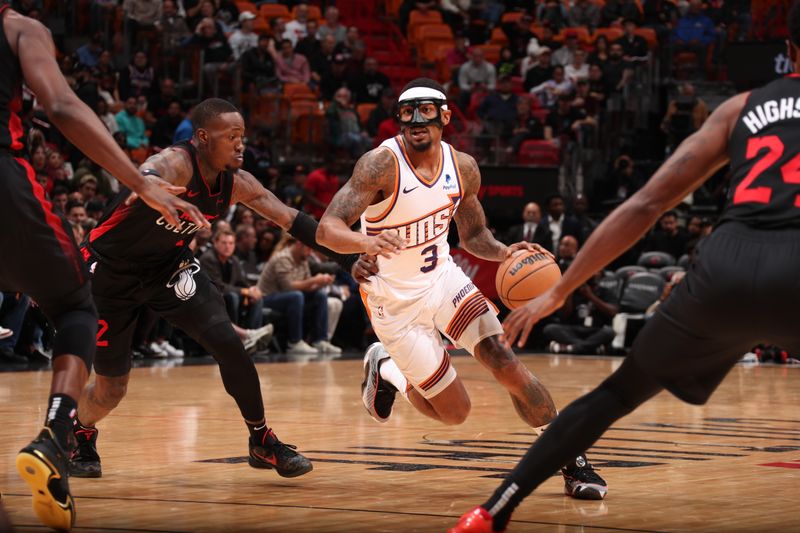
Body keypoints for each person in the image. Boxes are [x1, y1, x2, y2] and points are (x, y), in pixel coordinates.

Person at [448, 6, 800, 532]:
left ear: (788, 50)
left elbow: (645, 204)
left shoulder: (739, 108)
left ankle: (490, 513)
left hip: (725, 264)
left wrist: (561, 290)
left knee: (615, 394)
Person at [317, 78, 607, 500]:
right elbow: (327, 228)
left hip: (443, 281)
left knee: (504, 360)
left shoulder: (463, 167)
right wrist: (365, 242)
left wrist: (507, 252)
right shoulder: (380, 164)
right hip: (393, 302)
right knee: (455, 413)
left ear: (446, 116)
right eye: (407, 111)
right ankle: (387, 368)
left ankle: (571, 458)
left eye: (427, 110)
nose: (417, 120)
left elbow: (473, 236)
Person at [69, 99, 360, 485]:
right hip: (109, 272)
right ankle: (81, 432)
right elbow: (147, 173)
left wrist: (349, 261)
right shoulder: (177, 162)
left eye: (243, 137)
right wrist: (152, 187)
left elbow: (293, 220)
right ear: (203, 137)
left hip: (166, 269)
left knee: (228, 341)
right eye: (232, 137)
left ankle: (261, 439)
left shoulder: (236, 184)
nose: (241, 145)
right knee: (110, 390)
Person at [0, 4, 206, 531]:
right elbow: (63, 106)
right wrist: (140, 182)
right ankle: (53, 436)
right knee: (73, 307)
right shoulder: (19, 27)